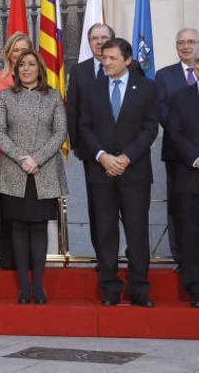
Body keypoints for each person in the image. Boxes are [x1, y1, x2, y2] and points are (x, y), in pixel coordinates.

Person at [79, 38, 158, 307]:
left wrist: (126, 157)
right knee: (105, 232)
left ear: (127, 60)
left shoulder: (147, 88)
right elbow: (84, 127)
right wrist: (102, 156)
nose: (106, 62)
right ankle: (110, 289)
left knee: (137, 232)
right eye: (104, 58)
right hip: (101, 172)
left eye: (112, 58)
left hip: (134, 172)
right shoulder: (92, 89)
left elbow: (150, 129)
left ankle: (140, 289)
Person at [0, 50, 67, 304]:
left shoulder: (54, 96)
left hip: (44, 171)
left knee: (39, 227)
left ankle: (39, 286)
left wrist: (37, 159)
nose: (25, 68)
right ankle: (24, 286)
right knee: (18, 227)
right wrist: (23, 158)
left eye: (31, 64)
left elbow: (60, 133)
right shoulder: (6, 96)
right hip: (15, 171)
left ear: (40, 69)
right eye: (21, 64)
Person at [156, 28, 199, 272]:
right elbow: (164, 114)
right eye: (180, 42)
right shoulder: (164, 76)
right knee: (182, 213)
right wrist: (194, 155)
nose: (185, 46)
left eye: (190, 41)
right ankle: (181, 259)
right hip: (181, 158)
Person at [66, 23, 114, 258]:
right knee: (98, 208)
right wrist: (75, 144)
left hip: (124, 155)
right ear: (89, 41)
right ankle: (103, 257)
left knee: (129, 210)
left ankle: (129, 256)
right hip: (92, 151)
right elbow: (72, 108)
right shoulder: (79, 71)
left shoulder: (131, 67)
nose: (100, 41)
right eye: (95, 38)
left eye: (104, 37)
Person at [0, 32, 33, 269]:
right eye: (15, 51)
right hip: (6, 154)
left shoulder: (40, 80)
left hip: (37, 157)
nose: (19, 55)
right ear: (8, 54)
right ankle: (8, 262)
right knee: (8, 209)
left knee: (32, 211)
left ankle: (31, 260)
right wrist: (17, 149)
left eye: (23, 50)